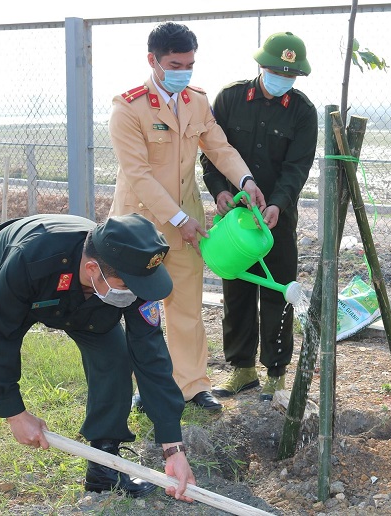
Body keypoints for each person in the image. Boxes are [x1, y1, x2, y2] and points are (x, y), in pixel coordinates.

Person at [0, 214, 196, 513]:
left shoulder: (130, 277)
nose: (136, 293)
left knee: (115, 359)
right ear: (93, 268)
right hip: (13, 284)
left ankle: (103, 465)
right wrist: (14, 413)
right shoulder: (31, 258)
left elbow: (151, 355)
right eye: (129, 285)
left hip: (91, 300)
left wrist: (173, 447)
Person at [108, 22, 266, 412]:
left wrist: (245, 179)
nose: (184, 71)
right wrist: (178, 219)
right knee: (142, 309)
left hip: (187, 223)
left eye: (190, 63)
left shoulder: (196, 100)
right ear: (153, 61)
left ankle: (193, 384)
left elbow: (219, 146)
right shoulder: (128, 107)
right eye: (175, 64)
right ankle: (148, 388)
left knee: (186, 305)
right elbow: (138, 175)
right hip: (140, 224)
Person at [200, 32, 317, 401]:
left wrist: (277, 205)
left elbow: (297, 168)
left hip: (275, 220)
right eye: (278, 71)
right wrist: (219, 189)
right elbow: (211, 151)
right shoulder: (231, 98)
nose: (284, 79)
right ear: (261, 67)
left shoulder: (302, 111)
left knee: (279, 291)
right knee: (236, 289)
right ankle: (242, 370)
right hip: (236, 219)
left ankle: (276, 373)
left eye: (292, 74)